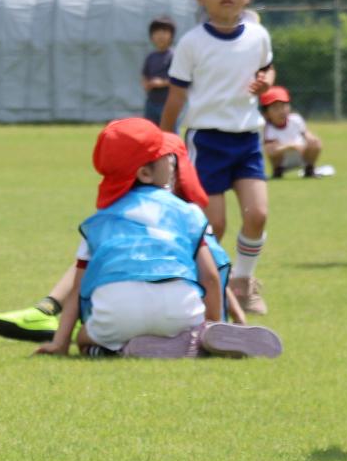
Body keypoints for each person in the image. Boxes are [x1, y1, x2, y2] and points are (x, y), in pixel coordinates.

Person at [36, 119, 279, 359]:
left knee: (85, 337)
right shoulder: (187, 212)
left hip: (118, 315)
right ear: (144, 173)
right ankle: (199, 338)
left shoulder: (100, 221)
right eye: (164, 156)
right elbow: (211, 277)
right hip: (180, 313)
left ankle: (122, 348)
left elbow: (77, 287)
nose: (172, 160)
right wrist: (213, 324)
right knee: (186, 319)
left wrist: (61, 343)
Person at [160, 0, 277, 315]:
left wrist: (265, 81)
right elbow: (177, 96)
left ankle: (243, 282)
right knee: (215, 224)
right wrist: (164, 141)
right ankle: (201, 285)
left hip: (247, 139)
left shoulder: (258, 36)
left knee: (257, 214)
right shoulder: (192, 43)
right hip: (207, 140)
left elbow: (268, 68)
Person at [259, 87, 325, 178]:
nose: (281, 111)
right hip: (282, 160)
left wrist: (312, 140)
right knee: (271, 148)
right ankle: (278, 170)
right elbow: (271, 149)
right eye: (275, 108)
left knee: (316, 142)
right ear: (266, 113)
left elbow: (307, 135)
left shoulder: (296, 119)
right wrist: (292, 146)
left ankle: (309, 169)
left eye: (283, 106)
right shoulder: (267, 127)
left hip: (302, 155)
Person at [141, 16, 176, 126]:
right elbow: (144, 75)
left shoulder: (173, 55)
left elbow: (178, 79)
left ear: (171, 35)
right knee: (150, 133)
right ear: (151, 36)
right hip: (151, 102)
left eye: (164, 31)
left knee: (169, 134)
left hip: (167, 104)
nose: (160, 35)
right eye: (156, 32)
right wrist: (146, 84)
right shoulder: (151, 57)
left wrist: (161, 83)